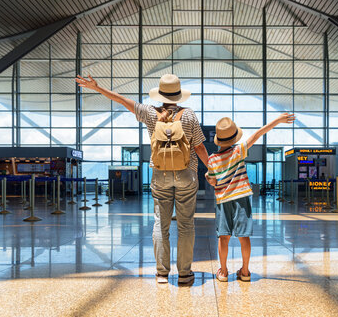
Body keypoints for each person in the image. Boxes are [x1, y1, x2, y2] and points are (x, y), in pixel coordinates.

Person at [76, 73, 209, 285]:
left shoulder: (149, 112)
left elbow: (120, 99)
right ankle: (184, 274)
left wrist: (97, 87)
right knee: (186, 225)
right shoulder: (189, 114)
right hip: (186, 174)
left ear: (161, 94)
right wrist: (212, 168)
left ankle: (161, 274)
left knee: (160, 224)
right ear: (178, 95)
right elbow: (199, 146)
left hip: (160, 174)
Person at [205, 112, 295, 282]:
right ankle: (245, 272)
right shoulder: (239, 150)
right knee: (243, 236)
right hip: (242, 199)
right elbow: (258, 134)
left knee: (223, 237)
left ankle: (223, 272)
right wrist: (277, 120)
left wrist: (207, 177)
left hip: (223, 201)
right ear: (233, 139)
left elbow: (213, 182)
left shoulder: (212, 159)